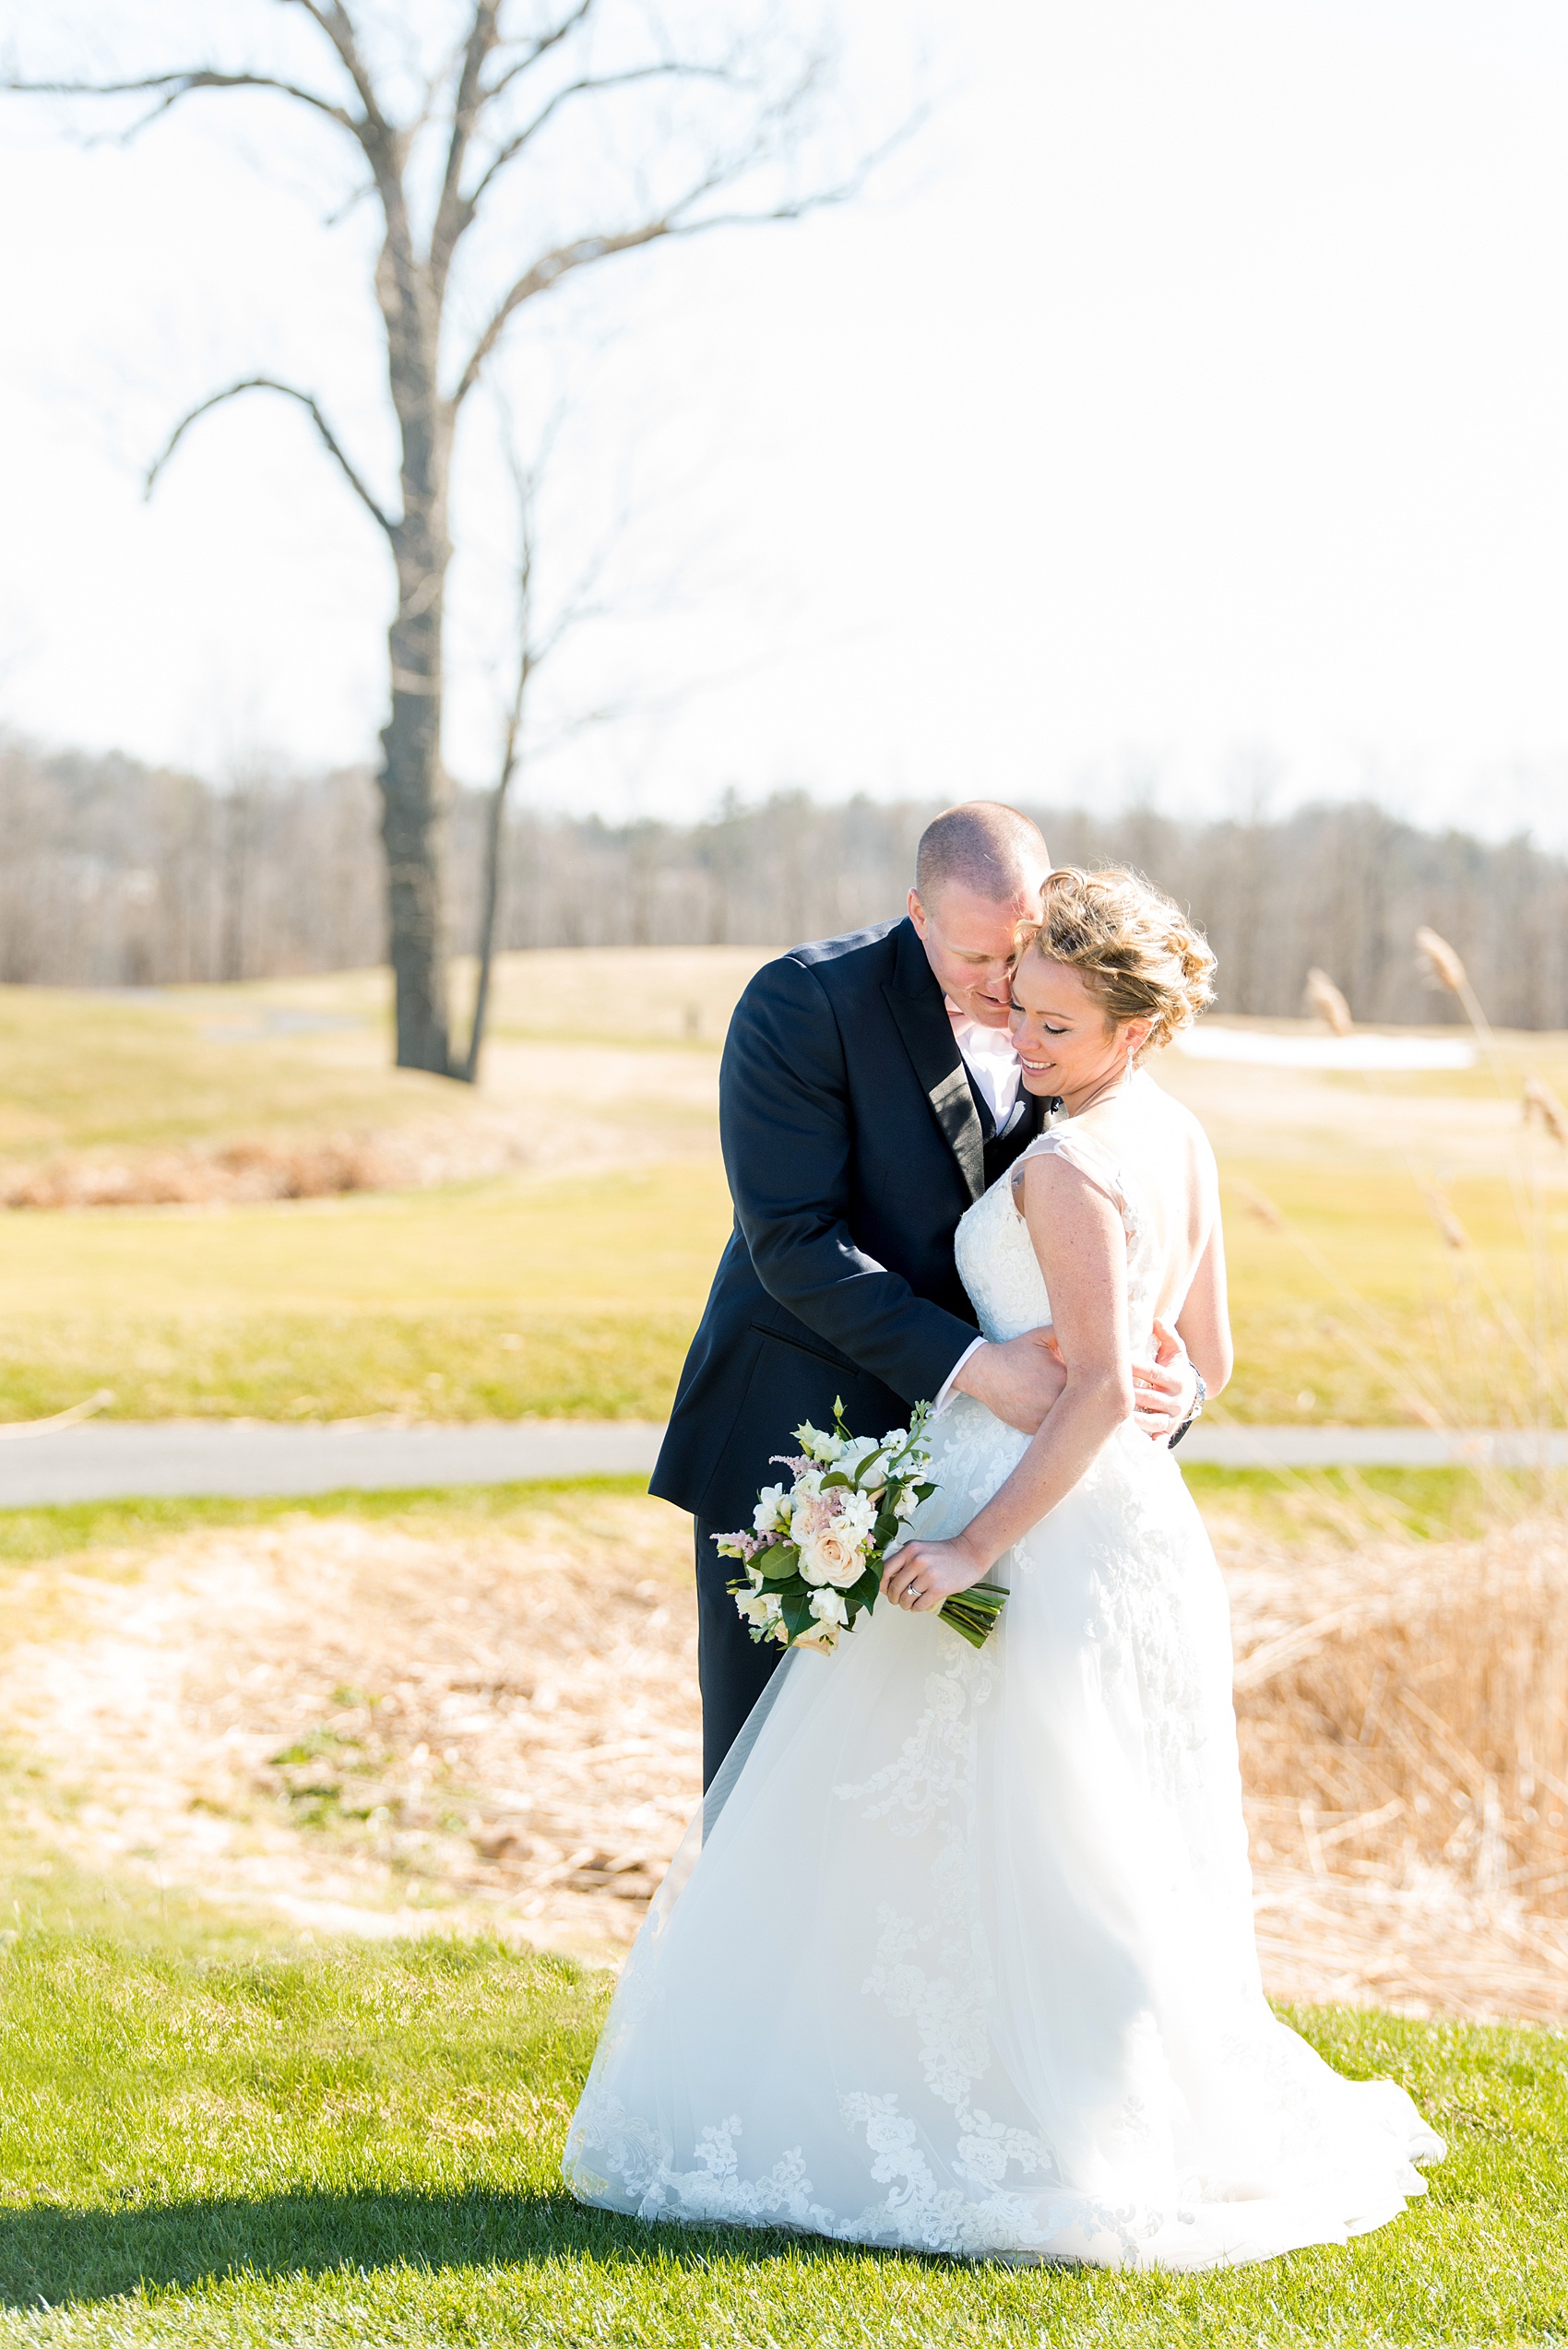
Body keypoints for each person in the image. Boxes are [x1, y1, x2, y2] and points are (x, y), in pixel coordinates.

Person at [565, 867, 1443, 2270]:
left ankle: (1003, 2115)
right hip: (1122, 1525)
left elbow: (1106, 1377)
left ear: (1133, 1028)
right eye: (1014, 1005)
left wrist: (980, 1530)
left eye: (1050, 1023)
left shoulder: (1075, 1158)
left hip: (1021, 1514)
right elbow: (1196, 1362)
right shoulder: (1170, 1135)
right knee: (1056, 1813)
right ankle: (1024, 2092)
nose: (1020, 1041)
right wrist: (1139, 1407)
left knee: (988, 1810)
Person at [650, 803, 1198, 1788]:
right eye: (973, 961)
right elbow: (793, 1242)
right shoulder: (802, 1004)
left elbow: (1112, 1221)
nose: (1003, 991)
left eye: (1019, 954)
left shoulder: (1056, 1015)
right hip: (801, 1428)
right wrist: (980, 1371)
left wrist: (1170, 1382)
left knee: (942, 1782)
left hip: (993, 1475)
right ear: (915, 914)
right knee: (766, 1767)